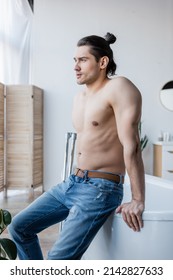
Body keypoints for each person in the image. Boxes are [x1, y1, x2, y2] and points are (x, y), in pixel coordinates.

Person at [8, 32, 145, 260]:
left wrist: (138, 199)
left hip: (100, 188)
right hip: (73, 182)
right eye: (74, 60)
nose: (75, 66)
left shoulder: (119, 87)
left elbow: (132, 145)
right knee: (19, 228)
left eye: (82, 60)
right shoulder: (79, 98)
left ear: (103, 62)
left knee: (58, 261)